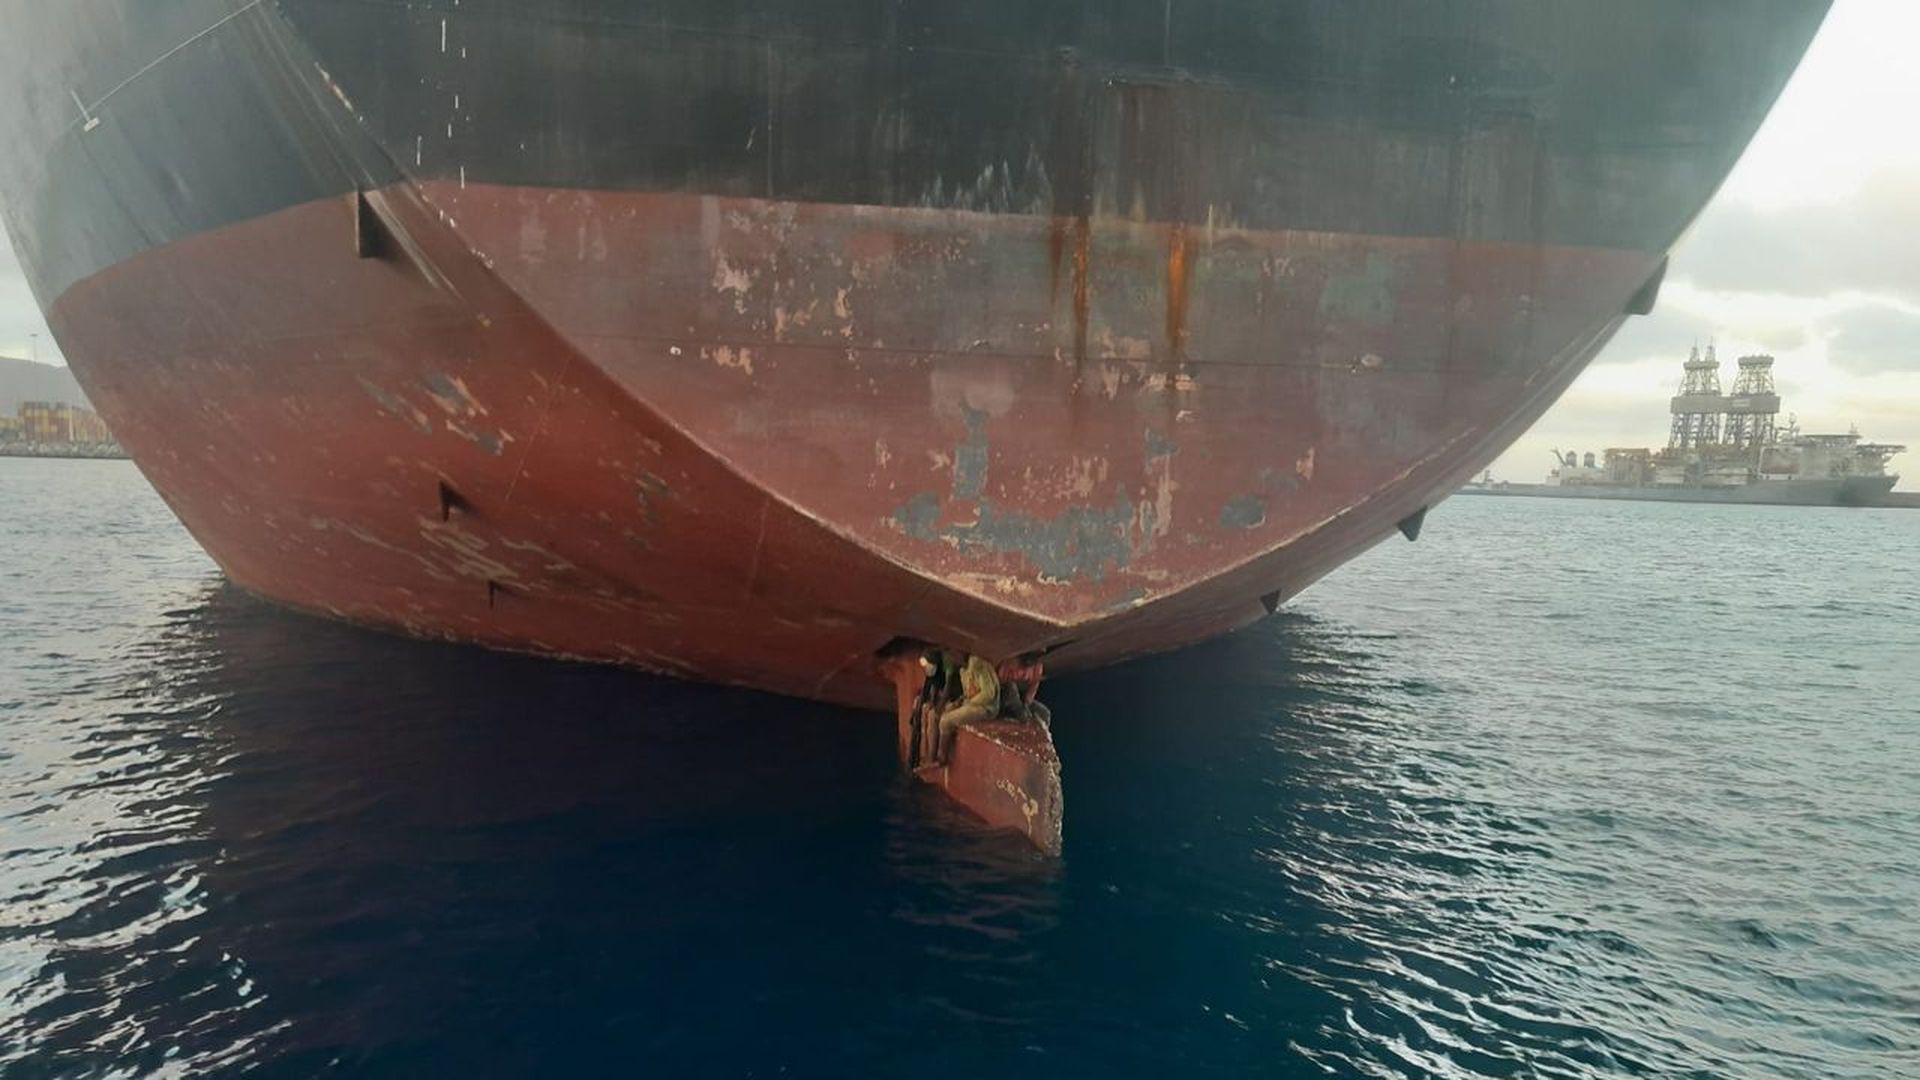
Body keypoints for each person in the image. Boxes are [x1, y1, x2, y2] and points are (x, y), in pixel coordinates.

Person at [933, 653, 999, 766]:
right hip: (973, 704)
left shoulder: (979, 665)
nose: (950, 659)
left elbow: (989, 694)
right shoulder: (963, 670)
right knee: (946, 710)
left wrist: (969, 702)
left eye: (952, 653)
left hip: (986, 708)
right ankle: (933, 754)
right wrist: (960, 701)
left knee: (946, 721)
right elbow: (968, 693)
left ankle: (941, 758)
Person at [996, 651, 1051, 729]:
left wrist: (1027, 702)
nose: (1017, 676)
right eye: (1023, 665)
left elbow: (1031, 691)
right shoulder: (1010, 662)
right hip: (1005, 694)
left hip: (1020, 699)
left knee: (1044, 713)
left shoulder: (1037, 669)